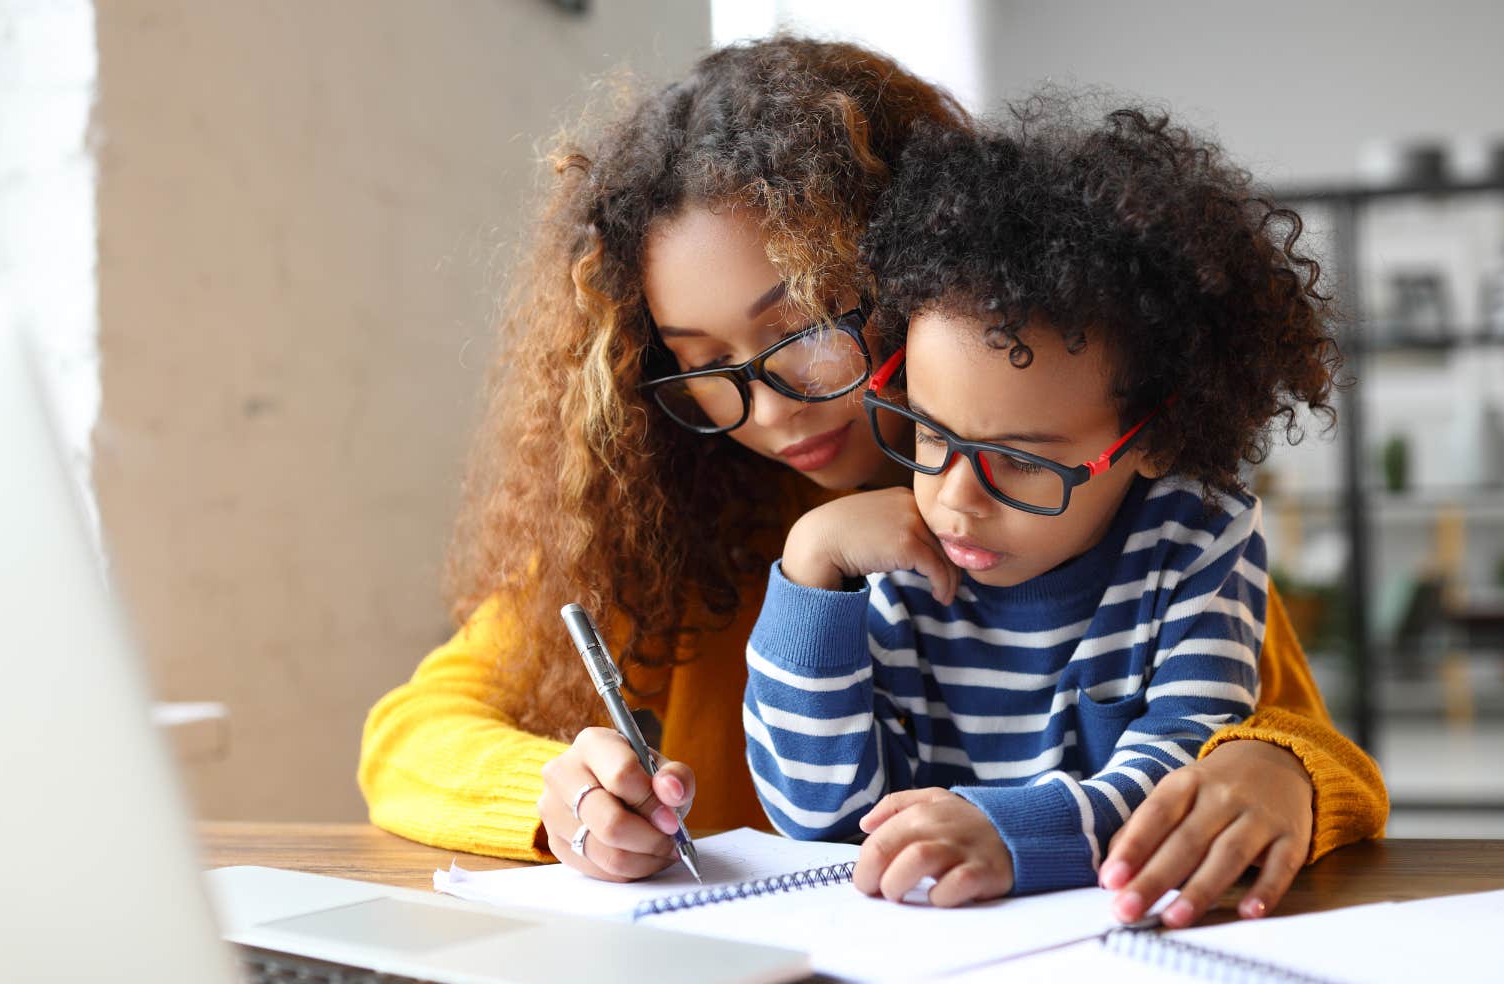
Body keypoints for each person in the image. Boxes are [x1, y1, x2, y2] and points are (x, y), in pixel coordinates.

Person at [357, 39, 1387, 928]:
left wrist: (1281, 771)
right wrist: (557, 797)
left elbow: (1275, 730)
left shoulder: (1100, 503)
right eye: (703, 365)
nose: (769, 410)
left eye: (803, 331)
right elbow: (412, 733)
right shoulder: (660, 520)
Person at [747, 104, 1339, 914]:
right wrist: (810, 568)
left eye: (1022, 461)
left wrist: (1013, 831)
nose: (956, 499)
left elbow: (1186, 773)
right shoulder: (885, 554)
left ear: (1153, 437)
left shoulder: (1197, 537)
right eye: (928, 432)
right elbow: (817, 815)